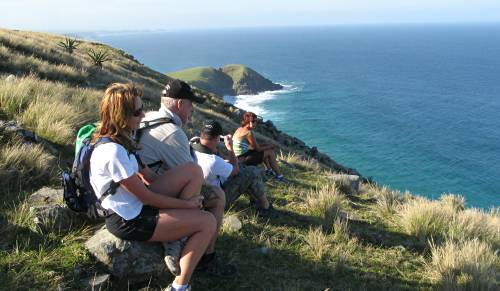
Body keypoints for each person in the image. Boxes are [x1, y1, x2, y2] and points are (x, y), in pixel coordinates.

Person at [89, 83, 215, 291]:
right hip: (129, 219)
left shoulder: (124, 140)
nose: (143, 114)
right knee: (207, 222)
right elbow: (146, 197)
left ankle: (176, 237)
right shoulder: (113, 152)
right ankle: (179, 287)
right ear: (122, 116)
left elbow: (149, 177)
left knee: (192, 170)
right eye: (138, 112)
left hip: (136, 204)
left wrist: (180, 191)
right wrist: (186, 205)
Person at [138, 79, 228, 275]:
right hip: (151, 194)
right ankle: (202, 255)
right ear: (180, 104)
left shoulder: (149, 117)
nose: (192, 108)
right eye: (190, 104)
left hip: (140, 186)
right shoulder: (171, 133)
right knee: (217, 196)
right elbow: (191, 176)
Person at [192, 120, 275, 216]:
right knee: (252, 171)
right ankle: (265, 207)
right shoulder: (213, 161)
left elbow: (216, 161)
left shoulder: (192, 147)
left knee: (242, 165)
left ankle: (255, 198)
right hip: (217, 199)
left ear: (202, 134)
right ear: (218, 138)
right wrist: (230, 148)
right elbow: (236, 170)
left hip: (202, 193)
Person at [233, 112, 287, 182]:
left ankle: (269, 170)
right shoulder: (248, 133)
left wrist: (266, 144)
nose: (256, 123)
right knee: (270, 152)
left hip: (238, 157)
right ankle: (279, 176)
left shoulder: (239, 129)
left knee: (265, 148)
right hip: (243, 160)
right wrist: (270, 146)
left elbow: (253, 146)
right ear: (248, 121)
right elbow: (258, 149)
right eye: (254, 121)